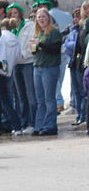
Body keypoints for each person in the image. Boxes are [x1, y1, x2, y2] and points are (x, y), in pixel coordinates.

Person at [0, 18, 22, 139]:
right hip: (7, 72)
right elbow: (18, 57)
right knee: (8, 101)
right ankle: (17, 127)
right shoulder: (15, 38)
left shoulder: (1, 36)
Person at [30, 7, 62, 136]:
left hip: (50, 68)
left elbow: (55, 49)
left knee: (49, 98)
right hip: (38, 67)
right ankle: (39, 125)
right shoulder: (37, 33)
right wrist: (33, 47)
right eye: (39, 17)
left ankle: (50, 125)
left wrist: (40, 44)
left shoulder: (53, 32)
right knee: (40, 99)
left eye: (43, 17)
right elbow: (35, 51)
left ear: (48, 18)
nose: (41, 19)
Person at [7, 3, 36, 132]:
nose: (14, 15)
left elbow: (31, 45)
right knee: (20, 96)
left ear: (20, 13)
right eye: (11, 13)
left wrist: (22, 55)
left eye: (16, 12)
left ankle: (32, 122)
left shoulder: (29, 26)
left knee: (30, 95)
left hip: (27, 63)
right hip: (16, 65)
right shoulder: (10, 29)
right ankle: (23, 122)